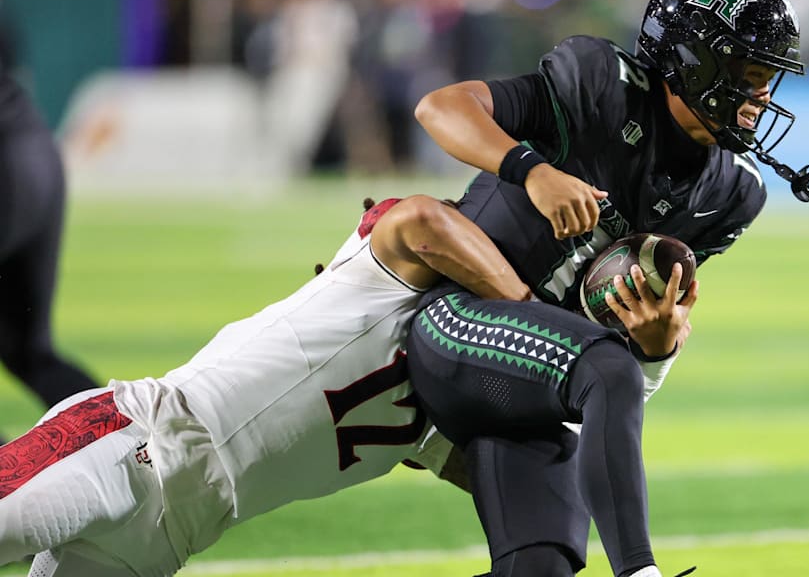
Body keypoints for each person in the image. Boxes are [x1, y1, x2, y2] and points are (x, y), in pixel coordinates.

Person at [408, 0, 809, 576]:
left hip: (536, 384)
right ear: (692, 59)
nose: (761, 97)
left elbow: (625, 339)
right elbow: (440, 106)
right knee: (606, 367)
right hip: (457, 322)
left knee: (540, 568)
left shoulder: (732, 192)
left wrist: (655, 351)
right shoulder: (599, 84)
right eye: (748, 76)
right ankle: (639, 571)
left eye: (767, 79)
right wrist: (531, 169)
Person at [0, 195, 534, 576]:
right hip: (128, 440)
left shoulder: (450, 406)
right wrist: (529, 314)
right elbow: (419, 216)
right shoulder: (381, 278)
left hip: (165, 540)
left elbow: (539, 482)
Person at [0, 27, 98, 423]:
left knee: (27, 349)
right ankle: (133, 447)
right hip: (35, 147)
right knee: (28, 350)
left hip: (7, 165)